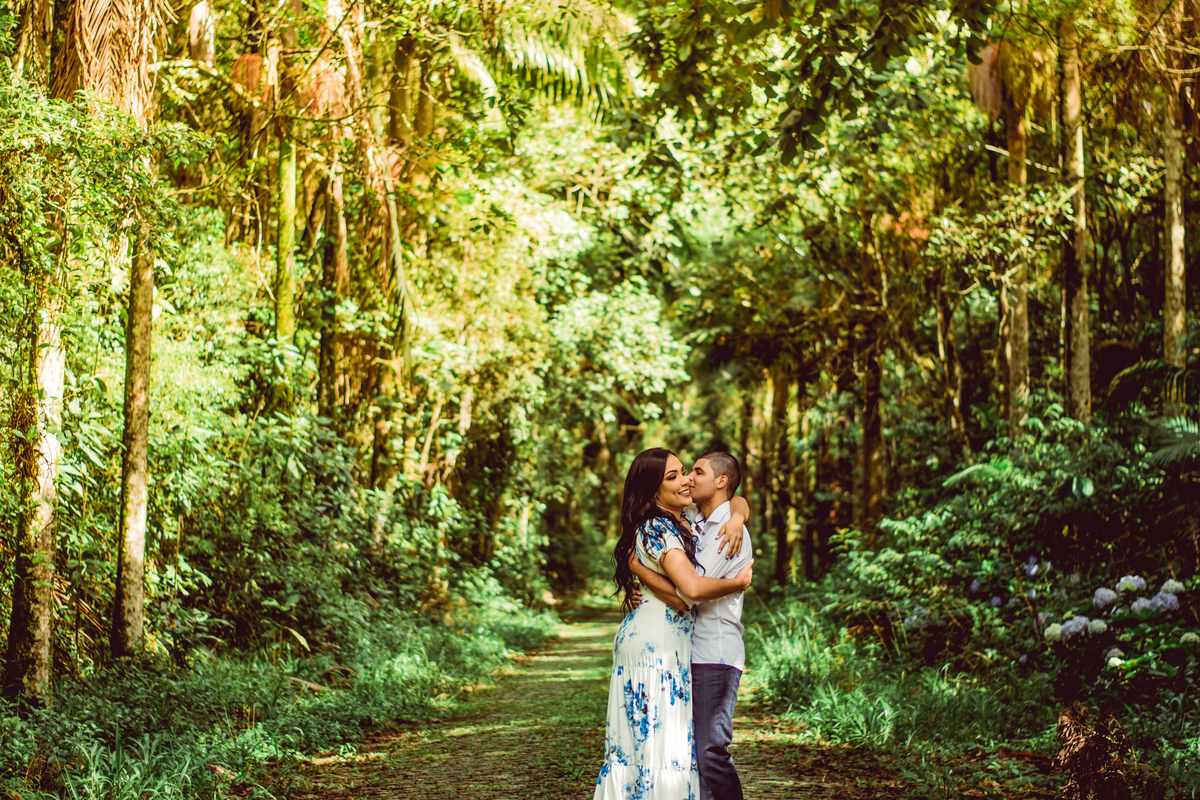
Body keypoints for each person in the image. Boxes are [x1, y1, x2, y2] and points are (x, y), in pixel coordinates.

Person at [593, 448, 754, 800]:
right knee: (666, 746)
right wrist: (641, 571)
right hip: (667, 645)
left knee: (697, 749)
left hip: (702, 649)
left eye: (691, 472)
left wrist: (738, 516)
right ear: (654, 489)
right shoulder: (677, 522)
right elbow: (687, 592)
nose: (687, 480)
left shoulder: (715, 527)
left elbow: (689, 591)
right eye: (677, 475)